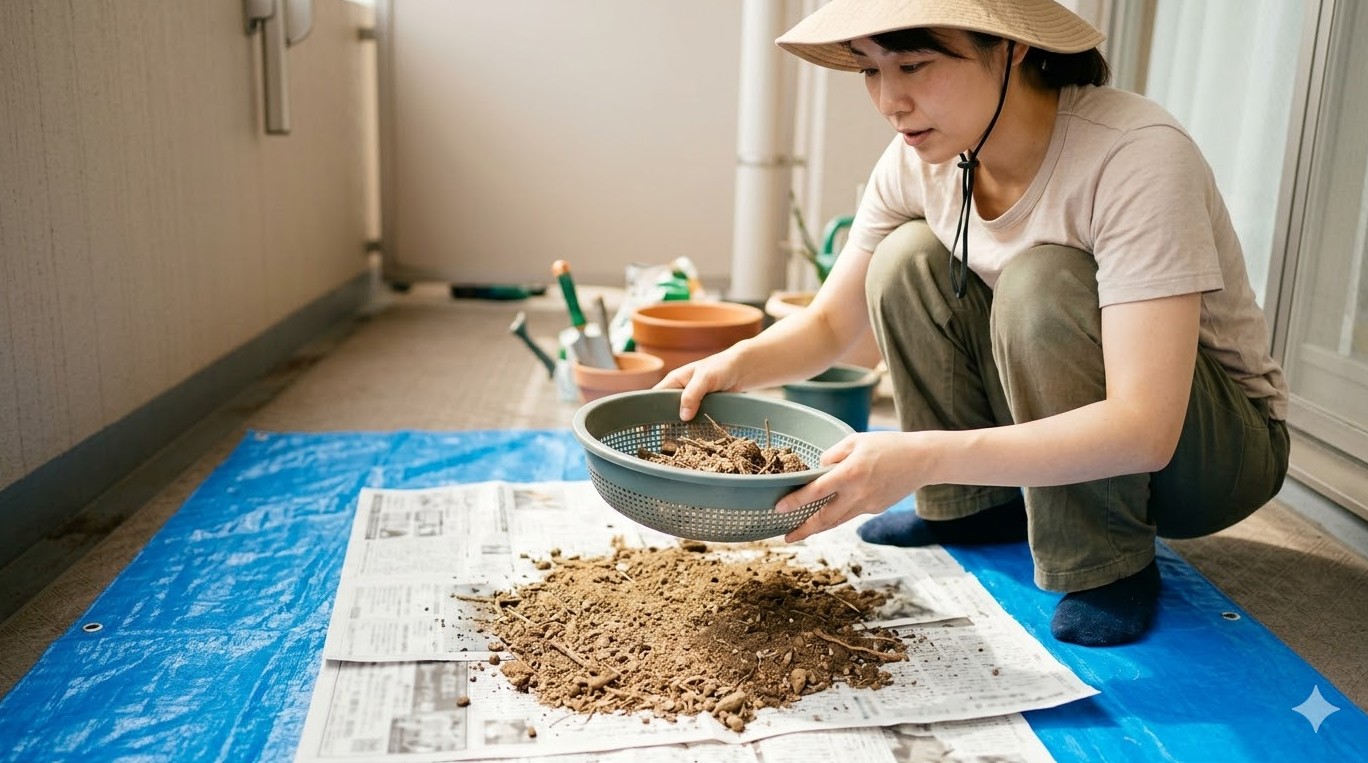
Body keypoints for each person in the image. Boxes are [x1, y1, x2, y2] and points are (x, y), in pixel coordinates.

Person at [658, 0, 1289, 647]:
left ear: (1010, 47)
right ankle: (971, 508)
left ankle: (1105, 562)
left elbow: (1146, 427)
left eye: (914, 64)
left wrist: (923, 454)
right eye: (870, 71)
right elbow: (828, 324)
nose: (890, 101)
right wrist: (732, 364)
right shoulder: (921, 160)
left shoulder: (1134, 155)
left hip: (1209, 456)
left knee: (1040, 281)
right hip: (1091, 414)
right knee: (905, 260)